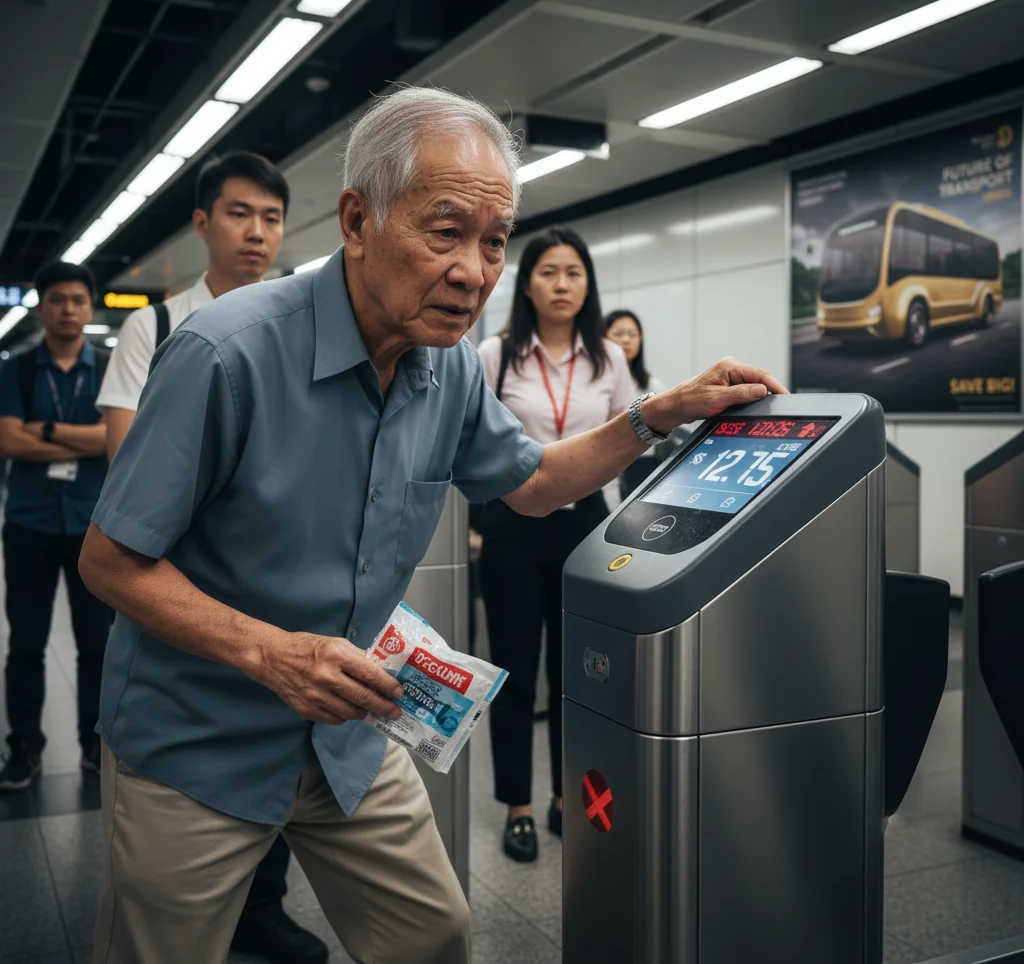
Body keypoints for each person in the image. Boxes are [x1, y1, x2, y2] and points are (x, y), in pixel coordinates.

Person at [76, 86, 784, 964]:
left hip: (346, 734)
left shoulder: (448, 371)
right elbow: (109, 560)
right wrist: (271, 653)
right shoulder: (226, 352)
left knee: (433, 934)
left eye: (494, 241)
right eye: (445, 231)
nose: (474, 271)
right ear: (357, 220)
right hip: (197, 738)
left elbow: (535, 483)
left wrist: (658, 413)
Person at [94, 150, 328, 964]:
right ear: (202, 223)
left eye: (271, 217)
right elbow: (129, 472)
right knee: (190, 766)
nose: (257, 232)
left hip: (276, 581)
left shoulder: (302, 326)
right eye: (239, 213)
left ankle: (260, 907)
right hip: (181, 583)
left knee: (282, 738)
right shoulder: (155, 327)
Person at [474, 228, 633, 863]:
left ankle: (569, 797)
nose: (561, 284)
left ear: (588, 283)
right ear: (527, 284)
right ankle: (517, 805)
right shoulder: (496, 353)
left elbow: (629, 439)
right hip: (513, 524)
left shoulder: (608, 358)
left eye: (573, 272)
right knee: (514, 675)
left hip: (584, 526)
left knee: (577, 676)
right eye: (547, 272)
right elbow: (474, 441)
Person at [0, 262, 112, 789]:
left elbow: (117, 439)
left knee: (97, 643)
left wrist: (43, 429)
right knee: (26, 641)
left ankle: (94, 742)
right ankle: (24, 746)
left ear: (89, 307)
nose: (68, 309)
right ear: (41, 307)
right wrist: (85, 438)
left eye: (77, 300)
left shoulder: (110, 367)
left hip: (95, 524)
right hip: (30, 522)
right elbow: (8, 441)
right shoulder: (17, 369)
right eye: (58, 300)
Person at [604, 309, 671, 505]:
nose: (626, 340)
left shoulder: (651, 385)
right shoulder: (595, 384)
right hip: (602, 466)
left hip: (642, 469)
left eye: (632, 334)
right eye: (618, 334)